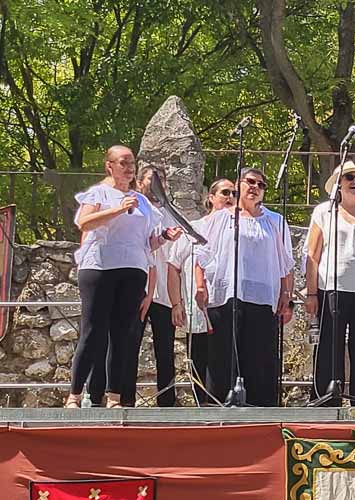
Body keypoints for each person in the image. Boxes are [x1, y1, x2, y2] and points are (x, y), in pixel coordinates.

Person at [65, 145, 182, 409]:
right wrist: (118, 209)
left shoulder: (141, 202)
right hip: (100, 267)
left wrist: (165, 237)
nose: (129, 168)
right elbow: (84, 223)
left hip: (133, 270)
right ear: (109, 166)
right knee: (93, 331)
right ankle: (74, 395)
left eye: (132, 164)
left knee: (122, 334)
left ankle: (114, 397)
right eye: (123, 163)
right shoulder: (99, 193)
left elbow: (146, 243)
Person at [195, 167, 294, 407]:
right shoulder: (220, 218)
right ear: (238, 184)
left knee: (260, 354)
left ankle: (261, 409)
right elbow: (201, 254)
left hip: (262, 295)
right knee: (223, 353)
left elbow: (285, 262)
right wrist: (200, 286)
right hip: (227, 292)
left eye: (261, 185)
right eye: (250, 181)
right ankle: (219, 405)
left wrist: (286, 294)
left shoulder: (275, 221)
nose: (255, 187)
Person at [304, 161, 355, 407]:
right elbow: (312, 254)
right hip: (332, 288)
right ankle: (326, 400)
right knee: (330, 346)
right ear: (338, 183)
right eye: (349, 177)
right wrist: (312, 293)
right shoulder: (324, 212)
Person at [167, 178, 235, 405]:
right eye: (225, 192)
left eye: (234, 193)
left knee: (224, 359)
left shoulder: (237, 229)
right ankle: (202, 407)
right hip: (197, 308)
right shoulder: (194, 228)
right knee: (199, 358)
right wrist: (176, 304)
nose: (230, 197)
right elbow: (173, 266)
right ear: (211, 197)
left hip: (225, 307)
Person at [121, 165, 179, 407]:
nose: (158, 184)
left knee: (165, 350)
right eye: (152, 178)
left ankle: (167, 403)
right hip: (139, 288)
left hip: (164, 292)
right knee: (129, 346)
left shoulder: (171, 214)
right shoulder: (135, 209)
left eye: (161, 179)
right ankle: (125, 400)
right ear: (140, 182)